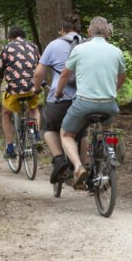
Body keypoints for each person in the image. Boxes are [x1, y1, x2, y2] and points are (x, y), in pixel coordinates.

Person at [55, 16, 126, 187]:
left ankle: (79, 166)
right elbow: (122, 77)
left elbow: (65, 74)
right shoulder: (116, 51)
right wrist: (112, 91)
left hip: (84, 103)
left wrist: (58, 92)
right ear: (108, 33)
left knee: (66, 134)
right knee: (107, 128)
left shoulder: (79, 50)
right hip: (109, 104)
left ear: (88, 32)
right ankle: (108, 154)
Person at [32, 14, 84, 183]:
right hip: (83, 98)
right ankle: (85, 166)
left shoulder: (54, 45)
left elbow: (39, 73)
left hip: (61, 98)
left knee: (48, 127)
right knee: (82, 131)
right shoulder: (85, 43)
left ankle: (59, 159)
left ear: (62, 30)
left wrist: (36, 88)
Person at [0, 26, 41, 159]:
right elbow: (40, 65)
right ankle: (36, 135)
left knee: (6, 114)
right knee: (34, 108)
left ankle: (9, 148)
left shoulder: (7, 48)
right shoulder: (33, 46)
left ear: (10, 37)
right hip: (32, 87)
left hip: (14, 88)